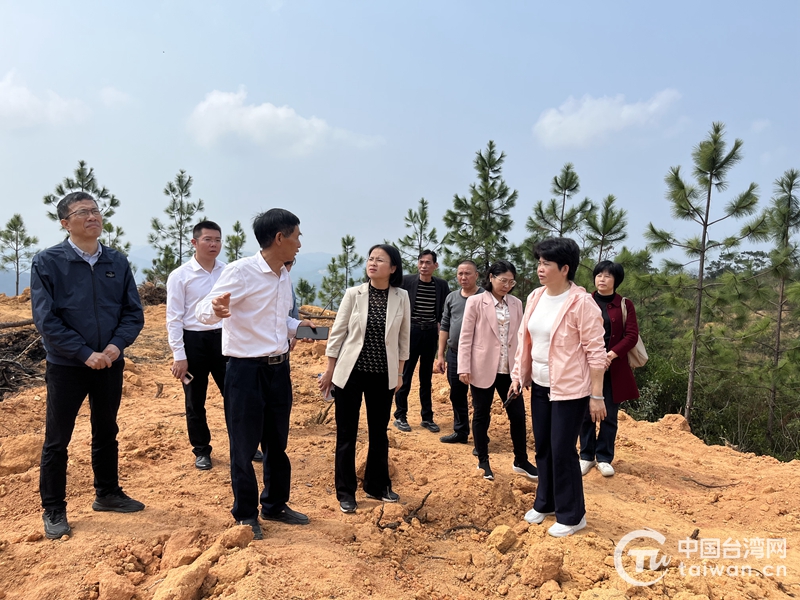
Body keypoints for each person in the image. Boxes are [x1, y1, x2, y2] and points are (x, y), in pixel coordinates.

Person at [195, 208, 316, 540]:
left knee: (277, 443)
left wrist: (297, 326)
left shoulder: (282, 275)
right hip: (246, 371)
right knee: (244, 446)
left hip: (279, 369)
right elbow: (203, 310)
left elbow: (277, 320)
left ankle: (275, 504)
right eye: (296, 236)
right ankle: (246, 514)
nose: (299, 243)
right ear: (279, 238)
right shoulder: (241, 272)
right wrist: (215, 309)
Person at [30, 191, 145, 539]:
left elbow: (133, 312)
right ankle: (53, 508)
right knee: (57, 439)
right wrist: (83, 353)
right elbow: (46, 320)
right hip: (67, 366)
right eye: (83, 212)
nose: (93, 216)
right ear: (65, 223)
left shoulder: (116, 261)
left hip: (109, 362)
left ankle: (107, 493)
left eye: (95, 210)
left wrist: (115, 346)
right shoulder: (48, 262)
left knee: (106, 429)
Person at [510, 237, 606, 538]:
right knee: (543, 447)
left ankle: (573, 515)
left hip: (570, 390)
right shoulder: (536, 297)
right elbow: (524, 340)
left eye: (546, 264)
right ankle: (546, 502)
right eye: (539, 262)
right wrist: (518, 375)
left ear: (565, 268)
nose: (540, 268)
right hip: (540, 384)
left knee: (563, 450)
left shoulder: (581, 303)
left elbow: (596, 352)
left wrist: (597, 395)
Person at [319, 244, 410, 513]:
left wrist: (400, 373)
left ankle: (376, 485)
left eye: (380, 260)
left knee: (379, 433)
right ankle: (345, 491)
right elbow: (338, 333)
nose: (373, 263)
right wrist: (329, 369)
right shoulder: (354, 294)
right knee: (346, 433)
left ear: (393, 268)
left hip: (383, 375)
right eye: (371, 258)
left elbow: (403, 338)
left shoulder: (401, 296)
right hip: (351, 374)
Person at [458, 261, 537, 481]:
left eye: (511, 282)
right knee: (481, 414)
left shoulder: (516, 303)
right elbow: (466, 336)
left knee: (518, 415)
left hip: (509, 371)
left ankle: (521, 460)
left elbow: (522, 339)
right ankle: (483, 461)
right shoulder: (476, 302)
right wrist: (464, 367)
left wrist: (524, 371)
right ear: (491, 277)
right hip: (482, 367)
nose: (507, 286)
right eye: (503, 280)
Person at [166, 221, 227, 471]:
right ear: (194, 242)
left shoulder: (227, 271)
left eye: (217, 240)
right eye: (208, 240)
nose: (214, 245)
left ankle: (244, 444)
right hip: (193, 342)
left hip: (224, 340)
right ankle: (201, 450)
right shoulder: (180, 276)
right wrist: (179, 355)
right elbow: (174, 318)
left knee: (235, 395)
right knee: (194, 400)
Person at [579, 261, 640, 478]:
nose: (602, 279)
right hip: (586, 365)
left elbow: (631, 335)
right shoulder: (585, 300)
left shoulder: (624, 304)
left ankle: (604, 457)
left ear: (616, 280)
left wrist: (610, 355)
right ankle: (586, 455)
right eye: (599, 275)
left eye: (607, 276)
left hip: (613, 367)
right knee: (585, 412)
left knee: (609, 414)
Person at [393, 250, 450, 433]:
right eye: (421, 262)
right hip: (411, 332)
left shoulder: (441, 285)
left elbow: (445, 311)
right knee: (405, 375)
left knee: (426, 378)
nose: (424, 266)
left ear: (435, 265)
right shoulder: (406, 281)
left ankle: (427, 418)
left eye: (428, 263)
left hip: (430, 333)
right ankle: (400, 416)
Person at [434, 260, 483, 444]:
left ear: (476, 275)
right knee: (456, 393)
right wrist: (440, 355)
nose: (463, 277)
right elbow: (445, 325)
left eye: (467, 273)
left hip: (478, 355)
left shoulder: (485, 297)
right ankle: (461, 431)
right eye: (460, 274)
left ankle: (480, 436)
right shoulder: (452, 297)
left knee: (479, 397)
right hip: (454, 353)